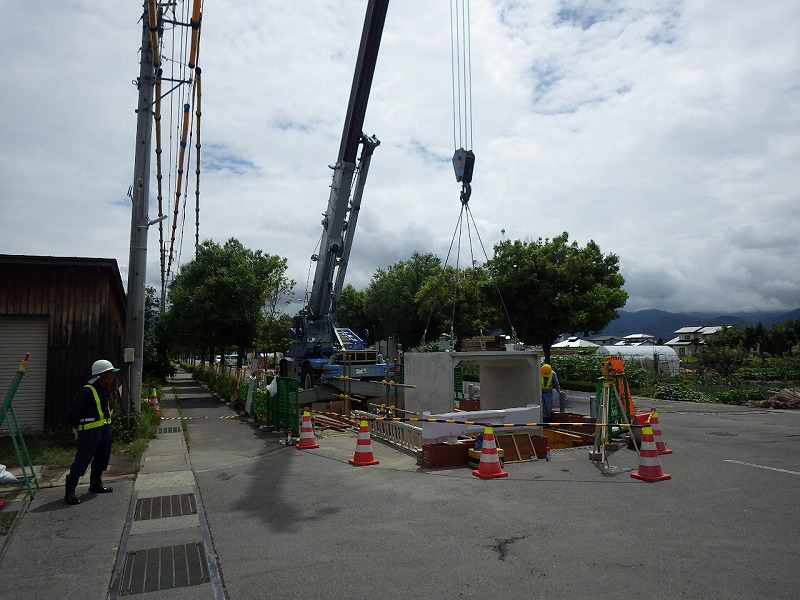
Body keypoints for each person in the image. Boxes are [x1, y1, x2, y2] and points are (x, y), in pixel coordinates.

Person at [64, 359, 119, 505]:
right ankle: (70, 492)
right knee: (83, 460)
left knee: (102, 457)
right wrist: (75, 429)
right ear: (103, 375)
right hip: (89, 432)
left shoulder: (104, 390)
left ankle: (95, 484)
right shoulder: (86, 391)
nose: (113, 377)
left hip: (103, 430)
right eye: (111, 373)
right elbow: (73, 414)